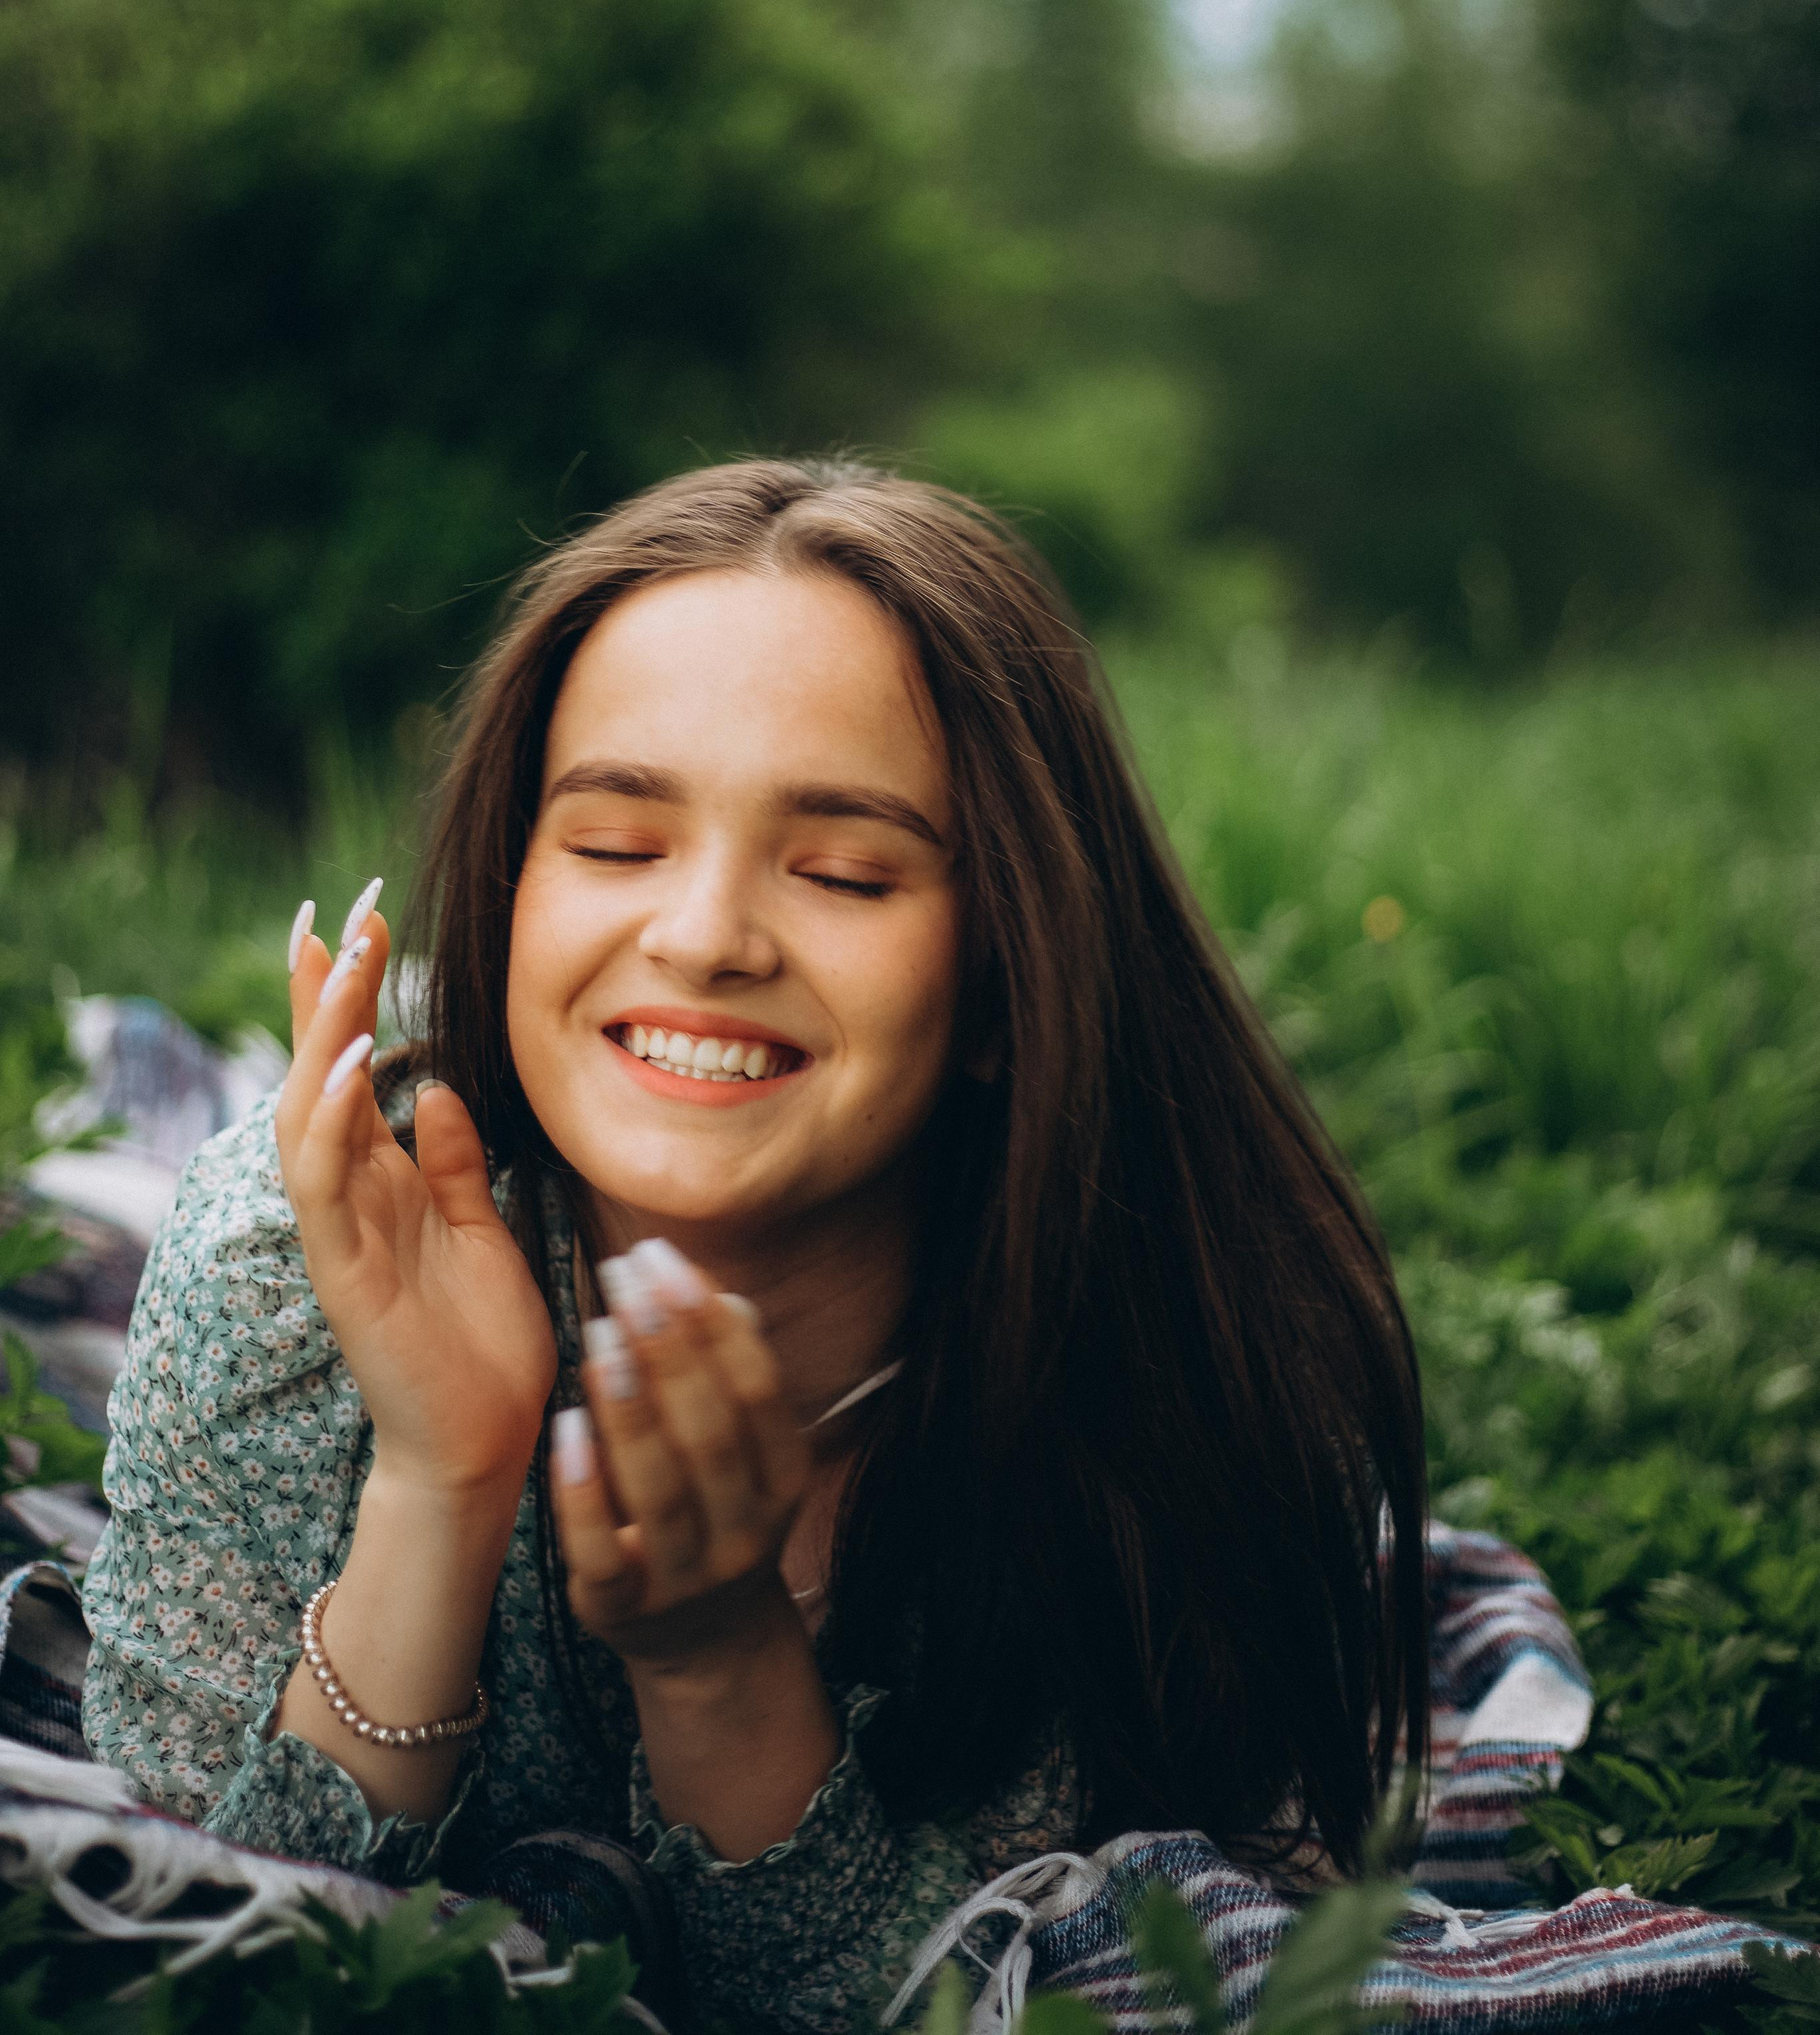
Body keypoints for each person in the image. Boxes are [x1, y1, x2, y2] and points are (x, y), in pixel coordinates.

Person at [81, 456, 1433, 2031]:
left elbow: (951, 1997)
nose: (707, 935)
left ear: (1006, 974)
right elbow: (190, 1941)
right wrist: (437, 1480)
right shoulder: (291, 1260)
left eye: (843, 871)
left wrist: (720, 1663)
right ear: (510, 887)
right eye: (614, 845)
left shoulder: (1173, 1381)